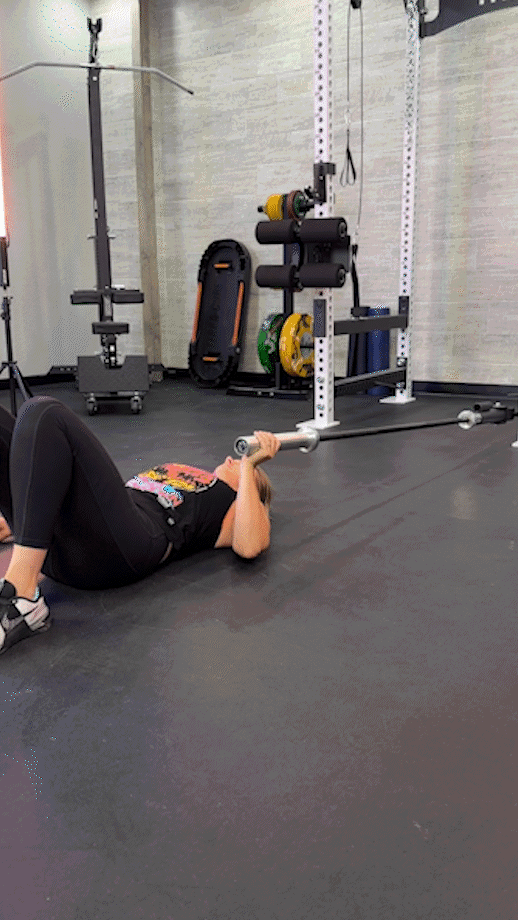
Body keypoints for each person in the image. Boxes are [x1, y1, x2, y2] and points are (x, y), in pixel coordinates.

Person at [0, 396, 280, 657]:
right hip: (71, 543)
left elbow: (251, 545)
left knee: (44, 413)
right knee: (26, 418)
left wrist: (250, 466)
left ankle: (21, 596)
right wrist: (26, 520)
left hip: (125, 547)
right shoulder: (191, 473)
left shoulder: (230, 502)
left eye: (243, 465)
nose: (231, 459)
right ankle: (22, 580)